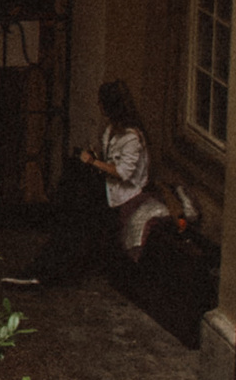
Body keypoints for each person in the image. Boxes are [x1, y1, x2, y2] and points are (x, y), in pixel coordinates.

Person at [33, 79, 152, 286]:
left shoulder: (131, 137)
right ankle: (61, 216)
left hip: (123, 191)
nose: (99, 106)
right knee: (74, 169)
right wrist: (94, 156)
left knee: (80, 188)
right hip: (109, 183)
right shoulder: (111, 130)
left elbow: (123, 173)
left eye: (101, 102)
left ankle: (61, 244)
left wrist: (94, 162)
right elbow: (107, 158)